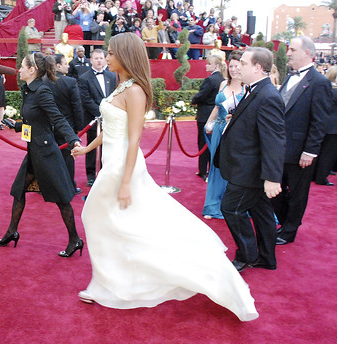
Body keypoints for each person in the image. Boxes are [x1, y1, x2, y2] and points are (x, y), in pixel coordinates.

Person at [71, 33, 258, 322]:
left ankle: (123, 281)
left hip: (124, 166)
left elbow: (133, 140)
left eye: (110, 52)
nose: (105, 57)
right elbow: (110, 127)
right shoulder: (122, 85)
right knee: (113, 222)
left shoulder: (134, 91)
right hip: (112, 162)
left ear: (124, 55)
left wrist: (124, 182)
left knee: (102, 218)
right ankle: (110, 282)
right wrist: (87, 148)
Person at [0, 52, 84, 258]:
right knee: (19, 191)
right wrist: (18, 125)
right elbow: (37, 120)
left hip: (45, 153)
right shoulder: (29, 90)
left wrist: (73, 139)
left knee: (62, 199)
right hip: (34, 152)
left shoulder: (42, 91)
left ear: (32, 70)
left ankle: (75, 240)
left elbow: (58, 118)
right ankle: (12, 231)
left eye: (22, 66)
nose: (19, 70)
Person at [219, 47, 286, 272]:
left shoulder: (267, 95)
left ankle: (247, 254)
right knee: (262, 212)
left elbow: (274, 140)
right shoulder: (256, 90)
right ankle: (266, 257)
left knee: (231, 208)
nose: (238, 67)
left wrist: (272, 178)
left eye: (244, 64)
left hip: (249, 170)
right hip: (247, 167)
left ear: (258, 68)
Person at [271, 36, 332, 245]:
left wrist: (310, 151)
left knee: (298, 193)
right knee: (273, 189)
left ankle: (289, 230)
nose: (288, 53)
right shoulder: (289, 77)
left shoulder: (320, 82)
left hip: (300, 151)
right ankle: (286, 221)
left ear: (307, 52)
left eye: (293, 50)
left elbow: (319, 121)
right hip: (279, 148)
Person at [202, 51, 244, 219]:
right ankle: (213, 205)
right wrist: (208, 123)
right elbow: (217, 107)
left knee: (231, 168)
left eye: (237, 66)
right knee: (215, 166)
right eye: (231, 66)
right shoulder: (223, 84)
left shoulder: (247, 86)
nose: (233, 69)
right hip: (219, 130)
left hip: (235, 133)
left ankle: (229, 203)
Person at [78, 49, 117, 187]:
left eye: (101, 58)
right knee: (91, 146)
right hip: (93, 118)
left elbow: (114, 94)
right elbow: (86, 100)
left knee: (108, 145)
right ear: (91, 60)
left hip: (110, 118)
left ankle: (105, 172)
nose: (99, 60)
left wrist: (110, 112)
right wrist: (102, 112)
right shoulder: (84, 78)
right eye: (96, 58)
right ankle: (90, 175)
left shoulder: (112, 76)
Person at [47, 53, 84, 194]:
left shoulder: (43, 81)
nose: (68, 66)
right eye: (65, 63)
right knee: (67, 158)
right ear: (57, 66)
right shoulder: (70, 82)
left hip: (47, 126)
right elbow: (77, 106)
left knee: (48, 156)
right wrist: (79, 128)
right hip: (66, 126)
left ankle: (48, 186)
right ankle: (69, 186)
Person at [191, 55, 225, 181]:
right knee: (213, 142)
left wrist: (193, 100)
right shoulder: (222, 79)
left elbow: (201, 95)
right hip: (216, 114)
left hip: (205, 113)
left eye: (209, 63)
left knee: (203, 143)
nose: (206, 65)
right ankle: (211, 170)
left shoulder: (210, 80)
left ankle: (203, 171)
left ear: (216, 65)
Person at [313, 66, 337, 186]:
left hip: (323, 124)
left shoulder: (325, 88)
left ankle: (314, 175)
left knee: (319, 151)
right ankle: (321, 177)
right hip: (333, 128)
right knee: (328, 153)